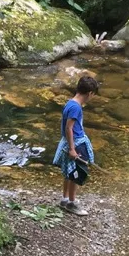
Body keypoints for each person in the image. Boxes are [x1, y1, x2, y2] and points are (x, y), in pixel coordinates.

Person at [52, 74, 98, 215]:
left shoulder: (70, 103)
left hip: (70, 141)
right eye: (93, 95)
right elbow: (69, 128)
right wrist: (72, 149)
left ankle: (64, 199)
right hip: (75, 143)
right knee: (76, 174)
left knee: (69, 172)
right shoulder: (76, 108)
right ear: (90, 93)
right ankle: (72, 203)